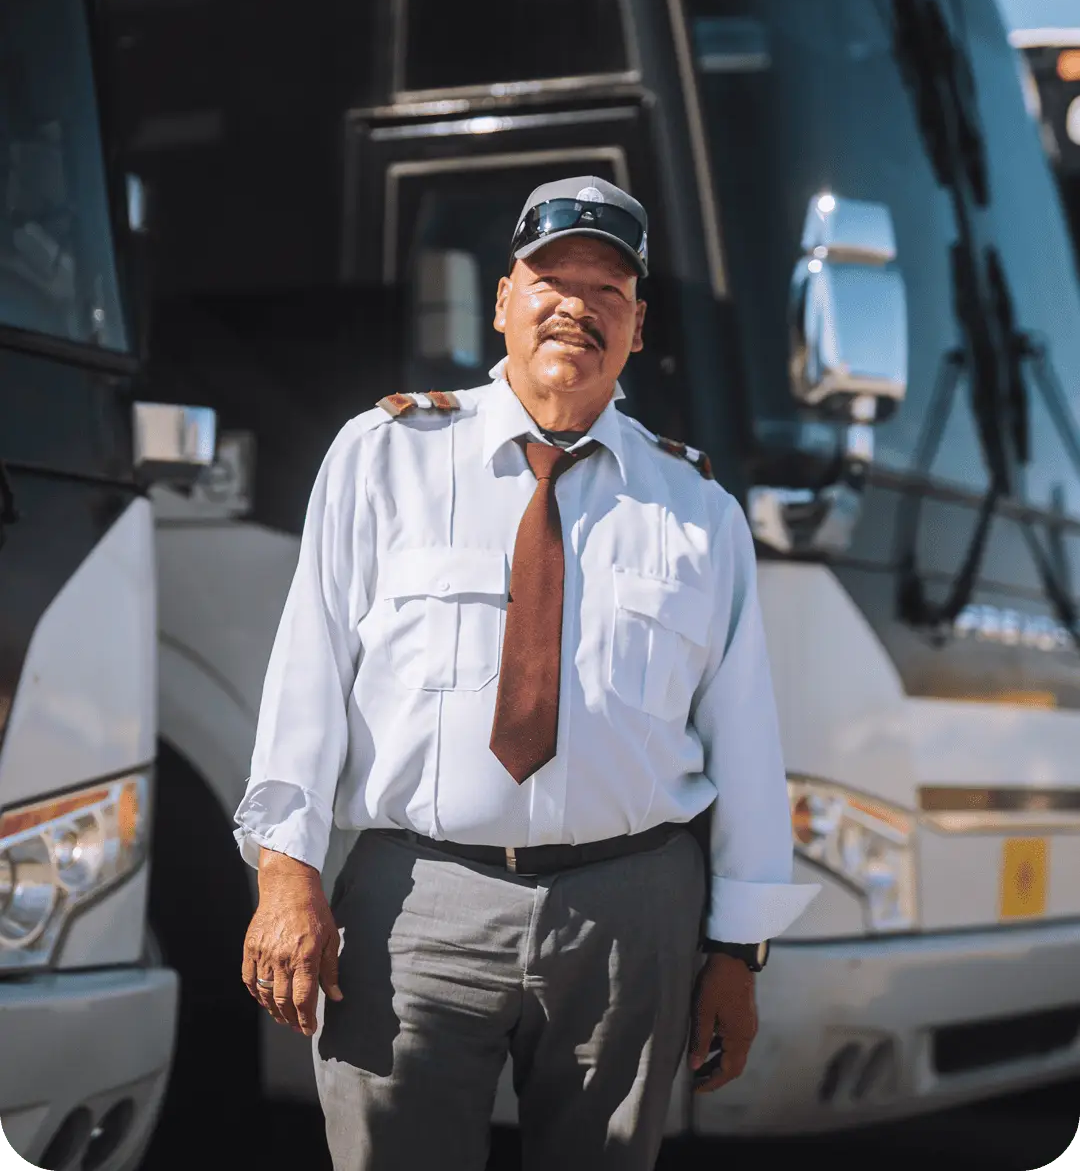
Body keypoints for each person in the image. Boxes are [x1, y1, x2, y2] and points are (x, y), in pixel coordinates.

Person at [234, 176, 819, 1170]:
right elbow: (307, 673)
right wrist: (286, 874)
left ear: (637, 328)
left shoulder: (698, 511)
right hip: (418, 904)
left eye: (608, 290)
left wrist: (739, 950)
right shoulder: (383, 457)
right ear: (503, 299)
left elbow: (746, 739)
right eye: (553, 280)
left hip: (631, 915)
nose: (577, 307)